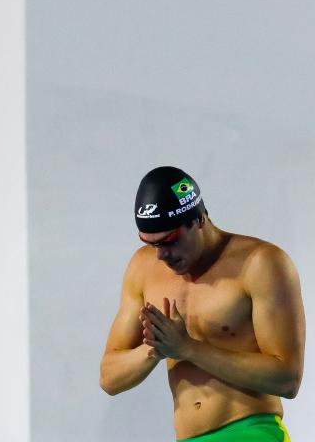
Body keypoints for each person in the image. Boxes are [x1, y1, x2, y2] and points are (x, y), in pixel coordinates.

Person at [99, 166, 305, 441]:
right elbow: (109, 378)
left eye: (169, 241)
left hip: (251, 431)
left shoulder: (260, 264)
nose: (161, 255)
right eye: (151, 244)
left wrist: (188, 348)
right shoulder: (142, 268)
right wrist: (156, 349)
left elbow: (287, 379)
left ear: (199, 220)